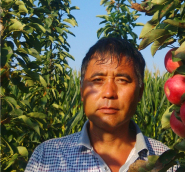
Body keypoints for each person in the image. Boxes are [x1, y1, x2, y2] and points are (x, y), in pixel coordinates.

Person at [25, 37, 171, 172]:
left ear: (140, 92)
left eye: (122, 80)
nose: (109, 92)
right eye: (97, 80)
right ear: (82, 91)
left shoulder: (166, 160)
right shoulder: (46, 157)